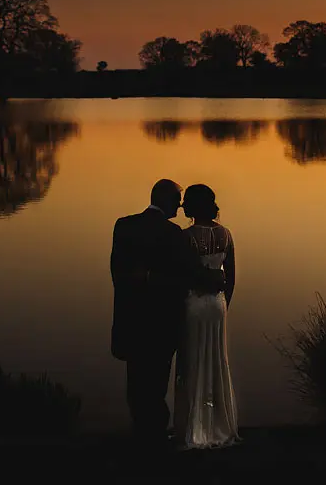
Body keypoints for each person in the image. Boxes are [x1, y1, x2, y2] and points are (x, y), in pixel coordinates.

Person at [110, 179, 188, 448]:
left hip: (131, 317)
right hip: (161, 322)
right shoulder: (174, 234)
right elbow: (179, 282)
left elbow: (117, 274)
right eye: (177, 201)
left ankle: (140, 430)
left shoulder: (124, 226)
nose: (179, 206)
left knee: (135, 380)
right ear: (165, 201)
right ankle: (154, 435)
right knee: (156, 383)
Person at [173, 183, 240, 449]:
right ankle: (217, 425)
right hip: (217, 306)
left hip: (195, 304)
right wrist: (224, 303)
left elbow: (182, 276)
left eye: (186, 201)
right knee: (215, 359)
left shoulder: (185, 237)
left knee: (193, 361)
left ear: (193, 205)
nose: (182, 206)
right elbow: (231, 277)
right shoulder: (226, 234)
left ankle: (194, 428)